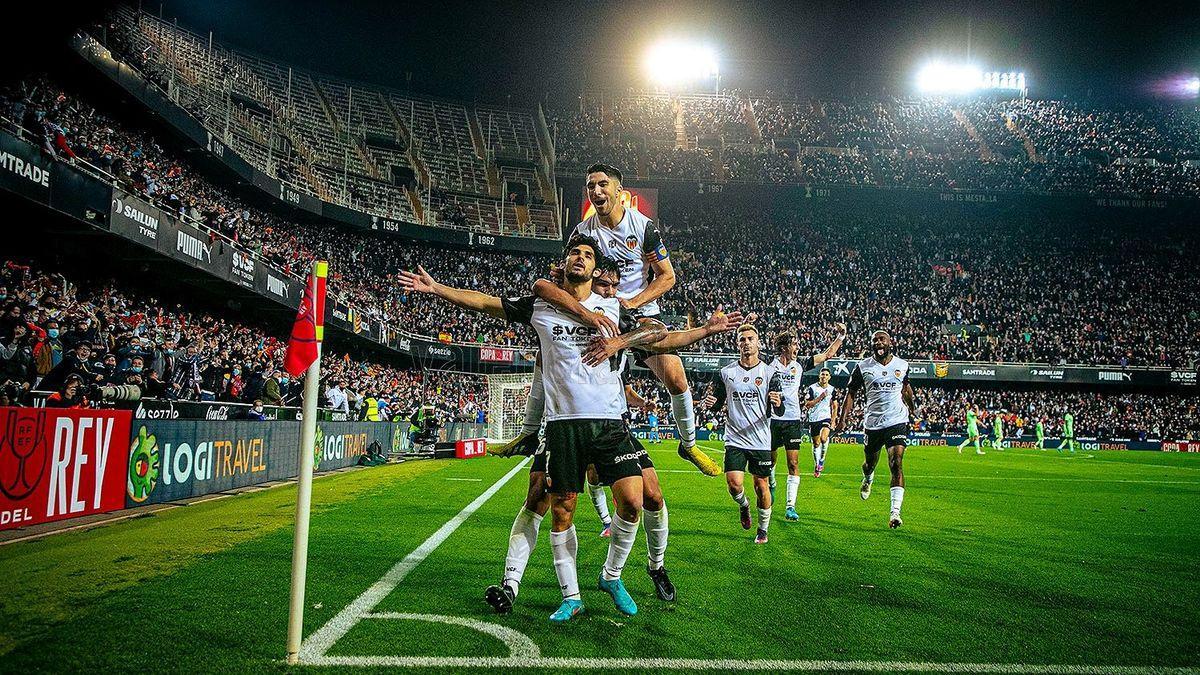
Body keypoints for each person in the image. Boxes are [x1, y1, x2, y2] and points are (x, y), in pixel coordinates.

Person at [401, 235, 741, 621]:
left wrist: (690, 334)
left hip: (611, 422)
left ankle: (612, 576)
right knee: (562, 509)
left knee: (633, 499)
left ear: (596, 269)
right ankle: (571, 596)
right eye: (574, 253)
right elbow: (484, 301)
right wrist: (436, 289)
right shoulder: (541, 305)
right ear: (564, 264)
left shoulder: (612, 306)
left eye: (588, 254)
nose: (580, 257)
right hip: (563, 425)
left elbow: (662, 335)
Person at [538, 163, 719, 477]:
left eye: (602, 185)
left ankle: (688, 445)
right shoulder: (582, 231)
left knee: (676, 380)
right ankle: (533, 431)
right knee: (546, 355)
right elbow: (570, 271)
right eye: (590, 186)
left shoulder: (643, 226)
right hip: (598, 311)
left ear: (619, 191)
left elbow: (667, 277)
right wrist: (560, 274)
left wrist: (634, 301)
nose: (595, 191)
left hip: (641, 313)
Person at [702, 324, 782, 544]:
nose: (746, 343)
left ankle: (763, 529)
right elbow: (717, 403)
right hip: (735, 438)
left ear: (758, 343)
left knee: (761, 485)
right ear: (737, 344)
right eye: (742, 339)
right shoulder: (726, 373)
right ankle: (744, 505)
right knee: (734, 484)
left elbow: (780, 409)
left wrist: (777, 403)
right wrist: (711, 404)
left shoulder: (769, 372)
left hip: (760, 439)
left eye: (750, 339)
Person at [835, 330, 913, 529]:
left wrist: (913, 408)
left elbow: (905, 388)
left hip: (897, 420)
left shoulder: (902, 365)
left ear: (890, 343)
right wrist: (843, 420)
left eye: (882, 340)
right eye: (875, 340)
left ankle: (895, 512)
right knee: (870, 463)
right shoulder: (863, 367)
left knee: (896, 462)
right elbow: (850, 394)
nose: (878, 343)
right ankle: (868, 477)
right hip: (873, 424)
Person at [767, 329, 845, 521]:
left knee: (793, 463)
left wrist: (840, 337)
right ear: (784, 347)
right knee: (770, 462)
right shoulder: (769, 363)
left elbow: (827, 354)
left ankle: (790, 506)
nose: (797, 347)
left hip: (793, 419)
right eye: (794, 344)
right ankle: (772, 483)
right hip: (772, 419)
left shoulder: (800, 364)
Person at [804, 367, 839, 479]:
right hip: (814, 418)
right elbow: (807, 404)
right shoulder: (812, 388)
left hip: (826, 417)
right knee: (816, 444)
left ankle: (822, 460)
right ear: (819, 376)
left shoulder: (832, 389)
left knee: (824, 438)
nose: (824, 376)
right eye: (822, 374)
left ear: (829, 377)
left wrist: (833, 421)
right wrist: (820, 397)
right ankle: (816, 464)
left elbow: (835, 406)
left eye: (826, 375)